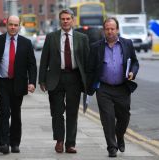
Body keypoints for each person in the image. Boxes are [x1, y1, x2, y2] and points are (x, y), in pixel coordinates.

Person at [0, 15, 37, 154]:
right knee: (4, 111)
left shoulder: (26, 43)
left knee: (16, 113)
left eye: (16, 25)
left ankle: (15, 143)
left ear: (19, 26)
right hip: (2, 82)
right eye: (11, 24)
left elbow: (32, 65)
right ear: (6, 25)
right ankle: (3, 143)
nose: (13, 27)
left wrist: (32, 82)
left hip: (19, 83)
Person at [39, 9, 89, 154]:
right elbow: (44, 60)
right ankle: (59, 141)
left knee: (72, 112)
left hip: (74, 78)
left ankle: (70, 144)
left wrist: (88, 82)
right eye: (63, 19)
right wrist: (42, 80)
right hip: (56, 78)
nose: (65, 21)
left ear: (72, 20)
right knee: (57, 112)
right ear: (60, 20)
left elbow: (87, 62)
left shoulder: (82, 38)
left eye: (68, 19)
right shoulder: (51, 37)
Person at [87, 17, 139, 157]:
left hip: (122, 87)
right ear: (104, 30)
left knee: (124, 117)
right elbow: (90, 69)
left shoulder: (127, 44)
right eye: (107, 29)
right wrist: (89, 87)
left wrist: (133, 72)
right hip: (104, 88)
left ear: (117, 29)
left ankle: (120, 136)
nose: (110, 32)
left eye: (112, 29)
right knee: (107, 118)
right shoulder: (96, 47)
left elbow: (134, 62)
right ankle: (111, 147)